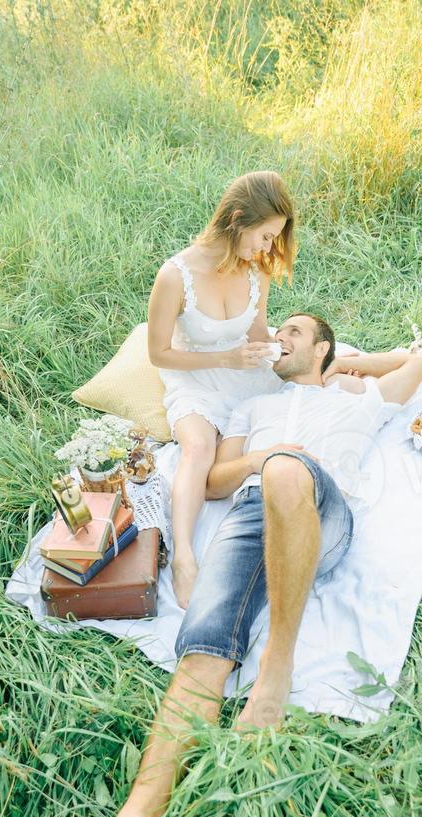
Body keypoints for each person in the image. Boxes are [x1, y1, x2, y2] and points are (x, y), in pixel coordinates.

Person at [21, 314, 422, 817]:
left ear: (323, 347)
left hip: (324, 515)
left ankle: (275, 674)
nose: (280, 339)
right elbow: (213, 479)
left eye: (294, 333)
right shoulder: (253, 410)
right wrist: (270, 453)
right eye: (279, 331)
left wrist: (351, 366)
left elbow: (416, 366)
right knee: (204, 639)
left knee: (289, 471)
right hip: (248, 510)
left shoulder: (361, 399)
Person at [147, 171, 295, 609]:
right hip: (193, 372)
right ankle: (184, 557)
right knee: (196, 447)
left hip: (241, 368)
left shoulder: (257, 270)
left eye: (274, 239)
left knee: (288, 416)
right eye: (265, 236)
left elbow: (255, 333)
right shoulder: (175, 276)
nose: (268, 248)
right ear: (237, 219)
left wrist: (278, 352)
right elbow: (158, 354)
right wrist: (224, 359)